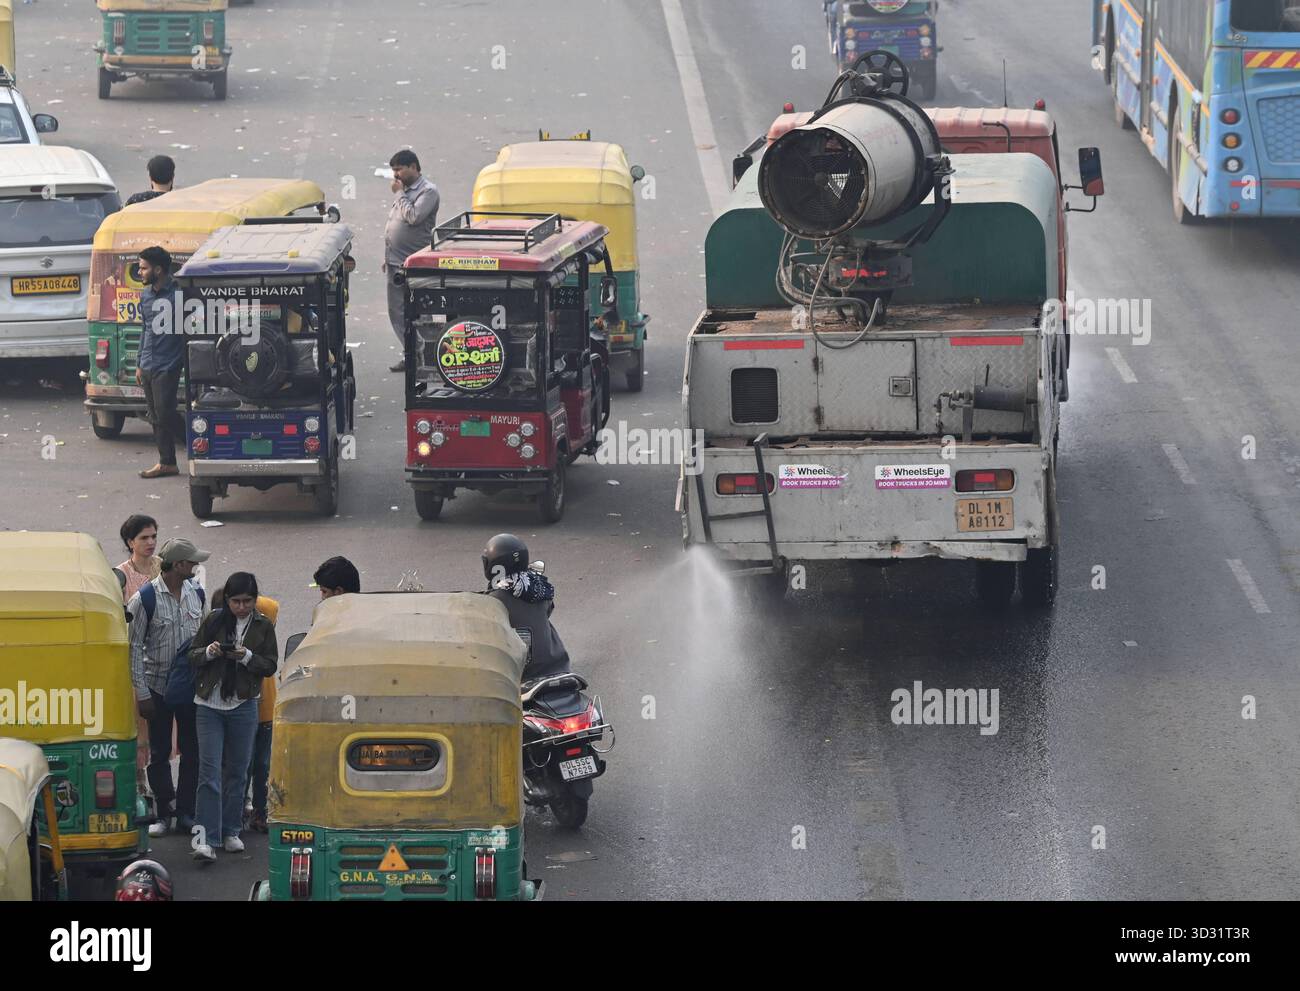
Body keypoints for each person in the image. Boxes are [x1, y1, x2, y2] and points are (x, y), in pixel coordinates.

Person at [188, 572, 277, 863]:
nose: (241, 607)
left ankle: (230, 831)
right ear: (226, 600)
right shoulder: (213, 620)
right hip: (209, 705)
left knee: (238, 771)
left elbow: (269, 665)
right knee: (209, 774)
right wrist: (211, 652)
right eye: (236, 601)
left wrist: (247, 656)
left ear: (254, 600)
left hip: (244, 704)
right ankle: (205, 840)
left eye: (247, 601)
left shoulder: (263, 625)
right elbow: (193, 656)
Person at [126, 537, 209, 838]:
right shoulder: (144, 599)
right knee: (159, 753)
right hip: (157, 689)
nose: (196, 565)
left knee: (192, 751)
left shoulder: (196, 594)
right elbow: (133, 649)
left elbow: (202, 641)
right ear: (179, 565)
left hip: (188, 688)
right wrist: (143, 694)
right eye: (191, 561)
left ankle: (186, 811)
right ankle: (165, 812)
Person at [209, 587, 280, 834]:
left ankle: (261, 811)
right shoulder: (218, 633)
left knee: (262, 766)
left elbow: (271, 605)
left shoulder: (262, 626)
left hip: (265, 710)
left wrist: (244, 595)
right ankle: (236, 813)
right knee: (240, 768)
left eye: (248, 603)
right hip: (240, 709)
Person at [482, 534, 570, 681]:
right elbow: (548, 610)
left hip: (515, 674)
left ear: (491, 566)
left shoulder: (492, 600)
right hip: (556, 667)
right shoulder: (538, 589)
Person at [115, 514, 162, 783]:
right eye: (144, 537)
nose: (151, 542)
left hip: (163, 658)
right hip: (136, 661)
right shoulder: (121, 575)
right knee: (139, 725)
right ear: (130, 541)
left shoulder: (164, 568)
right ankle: (141, 786)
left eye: (154, 536)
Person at [383, 149, 439, 373]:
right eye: (394, 170)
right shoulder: (404, 191)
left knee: (420, 311)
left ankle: (427, 355)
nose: (396, 175)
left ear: (414, 167)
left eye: (399, 169)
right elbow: (393, 223)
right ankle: (410, 353)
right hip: (394, 261)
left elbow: (413, 217)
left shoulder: (428, 191)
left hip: (414, 263)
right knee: (397, 310)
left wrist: (399, 194)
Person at [135, 245, 186, 479]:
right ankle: (167, 462)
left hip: (169, 364)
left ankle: (199, 442)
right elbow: (145, 330)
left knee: (165, 413)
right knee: (154, 415)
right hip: (148, 364)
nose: (140, 272)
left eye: (144, 268)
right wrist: (139, 363)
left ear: (158, 270)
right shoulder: (145, 296)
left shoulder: (180, 294)